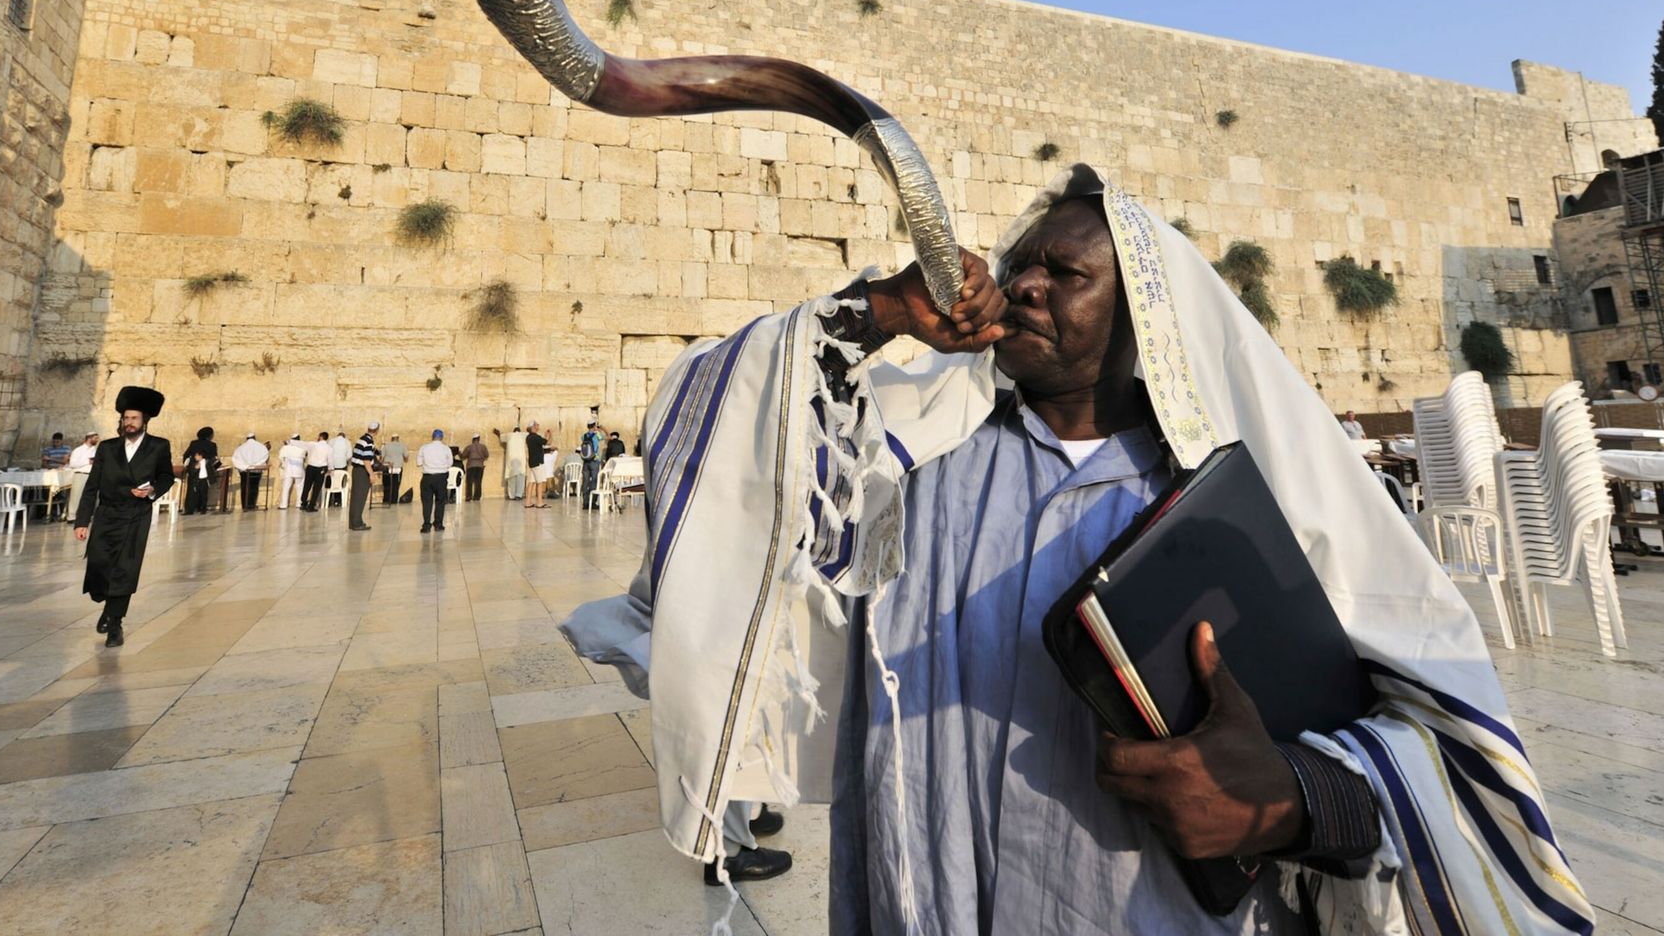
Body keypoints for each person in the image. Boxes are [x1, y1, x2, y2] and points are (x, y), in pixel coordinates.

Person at [565, 168, 1589, 933]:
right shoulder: (909, 465)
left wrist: (1287, 796)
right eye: (1021, 266)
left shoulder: (1247, 506)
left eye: (1067, 273)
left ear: (1143, 314)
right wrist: (880, 312)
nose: (1027, 287)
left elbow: (1451, 753)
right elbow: (712, 448)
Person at [74, 386, 174, 648]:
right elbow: (92, 485)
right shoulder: (107, 448)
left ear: (145, 421)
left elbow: (165, 476)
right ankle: (106, 605)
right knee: (98, 566)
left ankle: (115, 622)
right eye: (125, 418)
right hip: (107, 514)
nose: (128, 423)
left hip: (135, 515)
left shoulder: (158, 446)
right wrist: (82, 521)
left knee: (125, 570)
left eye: (133, 418)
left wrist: (154, 490)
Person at [417, 428, 454, 532]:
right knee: (440, 501)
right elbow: (450, 463)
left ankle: (426, 525)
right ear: (441, 438)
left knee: (427, 502)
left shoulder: (424, 448)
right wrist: (441, 467)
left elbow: (419, 463)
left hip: (427, 477)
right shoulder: (446, 448)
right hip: (441, 477)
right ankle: (438, 524)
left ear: (432, 437)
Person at [181, 427, 218, 515]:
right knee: (203, 491)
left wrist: (190, 467)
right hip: (205, 470)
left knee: (191, 490)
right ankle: (202, 508)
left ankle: (189, 509)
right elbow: (214, 459)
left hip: (193, 469)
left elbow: (186, 455)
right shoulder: (212, 445)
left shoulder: (193, 443)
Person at [348, 421, 378, 531]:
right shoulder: (369, 441)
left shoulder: (362, 439)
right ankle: (356, 523)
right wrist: (371, 474)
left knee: (356, 498)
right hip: (362, 471)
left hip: (356, 470)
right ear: (376, 431)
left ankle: (354, 522)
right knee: (360, 498)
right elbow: (366, 460)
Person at [232, 431, 270, 510]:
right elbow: (265, 456)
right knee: (254, 487)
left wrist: (244, 466)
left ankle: (244, 506)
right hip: (256, 470)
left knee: (244, 487)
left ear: (247, 439)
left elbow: (235, 459)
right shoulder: (261, 446)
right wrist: (256, 465)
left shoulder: (241, 447)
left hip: (244, 471)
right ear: (254, 438)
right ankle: (251, 505)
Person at [66, 433, 99, 521]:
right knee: (76, 496)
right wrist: (87, 461)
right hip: (81, 474)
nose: (97, 440)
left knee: (91, 496)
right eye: (95, 438)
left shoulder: (96, 450)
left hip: (92, 474)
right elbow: (72, 464)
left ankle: (89, 516)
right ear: (89, 438)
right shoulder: (78, 450)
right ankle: (72, 516)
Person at [301, 432, 331, 511]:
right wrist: (331, 469)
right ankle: (311, 505)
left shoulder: (313, 444)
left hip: (310, 467)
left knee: (307, 486)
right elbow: (330, 459)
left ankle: (303, 503)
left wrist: (290, 442)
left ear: (320, 437)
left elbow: (302, 444)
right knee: (316, 488)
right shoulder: (329, 448)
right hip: (321, 469)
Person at [580, 420, 605, 509]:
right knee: (594, 482)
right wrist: (601, 429)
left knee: (585, 482)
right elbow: (607, 437)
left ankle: (585, 503)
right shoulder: (597, 435)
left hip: (586, 461)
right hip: (594, 460)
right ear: (594, 426)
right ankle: (592, 502)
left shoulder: (584, 436)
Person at [277, 433, 306, 509]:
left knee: (286, 488)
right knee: (300, 488)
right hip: (299, 470)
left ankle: (283, 505)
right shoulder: (302, 448)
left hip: (288, 470)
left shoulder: (285, 448)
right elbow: (304, 455)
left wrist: (284, 464)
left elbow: (280, 457)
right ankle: (299, 504)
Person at [504, 423, 529, 504]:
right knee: (521, 478)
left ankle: (512, 495)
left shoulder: (509, 435)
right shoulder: (523, 435)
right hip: (520, 460)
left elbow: (501, 437)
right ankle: (519, 495)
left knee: (511, 478)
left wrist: (498, 432)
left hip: (511, 460)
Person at [525, 422, 549, 505]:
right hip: (538, 462)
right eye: (536, 425)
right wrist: (548, 435)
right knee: (539, 482)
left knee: (531, 482)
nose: (538, 426)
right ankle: (539, 502)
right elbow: (547, 442)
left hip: (531, 462)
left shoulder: (528, 437)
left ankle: (527, 502)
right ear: (533, 427)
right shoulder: (536, 437)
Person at [382, 434, 407, 504]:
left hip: (387, 467)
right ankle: (393, 501)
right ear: (398, 438)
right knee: (396, 486)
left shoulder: (386, 446)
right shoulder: (402, 446)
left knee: (387, 485)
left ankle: (386, 500)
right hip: (398, 468)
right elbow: (406, 457)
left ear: (391, 438)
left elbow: (381, 457)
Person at [463, 433, 489, 502]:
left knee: (469, 482)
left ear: (473, 439)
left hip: (471, 466)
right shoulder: (483, 447)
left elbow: (463, 456)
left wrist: (459, 452)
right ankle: (477, 497)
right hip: (480, 466)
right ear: (479, 439)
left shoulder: (469, 447)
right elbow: (487, 455)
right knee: (478, 482)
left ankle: (469, 497)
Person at [328, 429, 351, 505]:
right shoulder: (347, 442)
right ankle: (337, 501)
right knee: (340, 482)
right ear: (344, 436)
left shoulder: (331, 441)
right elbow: (349, 455)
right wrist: (344, 459)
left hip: (331, 465)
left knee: (330, 482)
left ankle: (328, 501)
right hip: (342, 465)